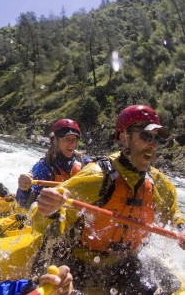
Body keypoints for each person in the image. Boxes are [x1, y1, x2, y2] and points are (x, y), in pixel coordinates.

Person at [34, 105, 185, 293]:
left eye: (156, 138)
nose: (152, 144)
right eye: (146, 136)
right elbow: (40, 221)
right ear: (124, 137)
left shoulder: (158, 184)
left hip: (123, 264)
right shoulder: (98, 176)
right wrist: (50, 209)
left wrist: (181, 229)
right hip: (81, 262)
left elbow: (173, 215)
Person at [16, 119, 90, 209]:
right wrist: (24, 189)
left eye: (74, 139)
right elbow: (24, 204)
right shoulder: (45, 167)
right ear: (56, 141)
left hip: (77, 212)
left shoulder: (84, 162)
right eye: (67, 139)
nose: (72, 142)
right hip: (53, 215)